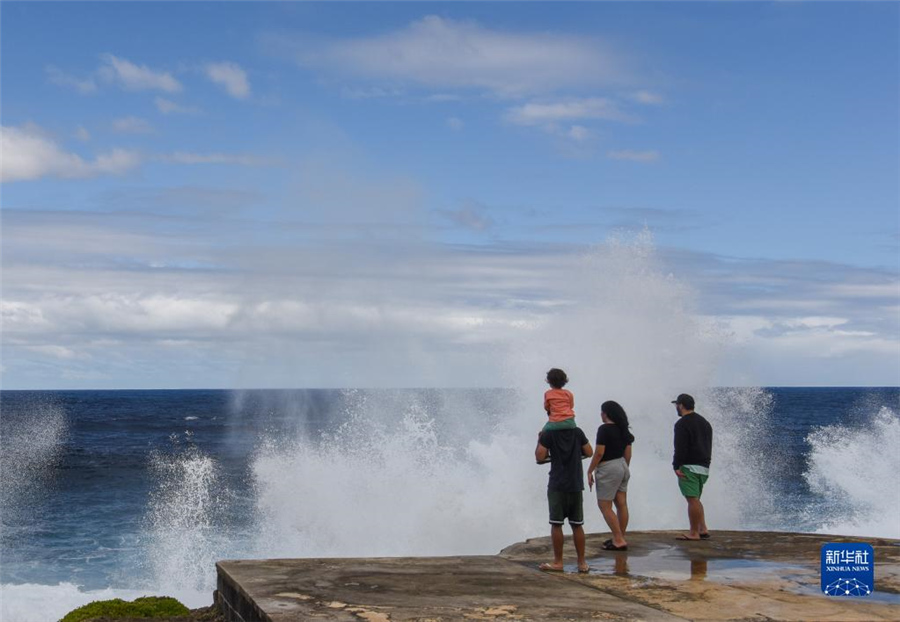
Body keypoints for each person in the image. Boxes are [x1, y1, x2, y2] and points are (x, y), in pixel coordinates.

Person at [535, 423, 593, 573]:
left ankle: (558, 562)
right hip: (575, 484)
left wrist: (540, 439)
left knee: (556, 524)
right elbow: (589, 451)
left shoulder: (549, 434)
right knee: (577, 524)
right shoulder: (577, 432)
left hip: (557, 485)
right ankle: (582, 563)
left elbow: (540, 456)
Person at [586, 400, 634, 551]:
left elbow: (599, 452)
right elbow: (628, 453)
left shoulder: (604, 429)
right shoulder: (623, 429)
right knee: (621, 503)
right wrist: (623, 468)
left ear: (606, 414)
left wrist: (589, 470)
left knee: (604, 505)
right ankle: (619, 536)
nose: (600, 414)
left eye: (602, 412)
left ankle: (618, 540)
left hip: (608, 467)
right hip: (622, 465)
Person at [671, 393, 713, 541]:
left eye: (677, 405)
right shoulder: (705, 422)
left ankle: (694, 533)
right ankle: (703, 528)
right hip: (704, 467)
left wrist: (676, 465)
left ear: (681, 405)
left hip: (689, 466)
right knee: (696, 499)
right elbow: (708, 445)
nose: (676, 407)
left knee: (692, 500)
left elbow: (680, 447)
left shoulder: (682, 424)